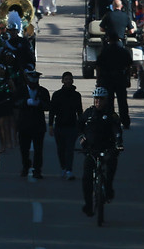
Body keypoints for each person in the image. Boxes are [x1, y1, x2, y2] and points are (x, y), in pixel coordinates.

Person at [79, 87, 123, 217]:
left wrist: (118, 144)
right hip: (91, 150)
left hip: (107, 149)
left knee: (110, 166)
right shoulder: (89, 113)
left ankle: (108, 188)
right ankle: (88, 204)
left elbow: (117, 131)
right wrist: (82, 137)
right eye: (96, 99)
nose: (98, 102)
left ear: (106, 100)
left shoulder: (111, 115)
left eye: (101, 99)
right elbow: (79, 125)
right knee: (86, 178)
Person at [14, 66, 50, 179]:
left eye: (35, 81)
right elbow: (14, 102)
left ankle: (37, 169)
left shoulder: (43, 91)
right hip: (24, 124)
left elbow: (48, 105)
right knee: (24, 148)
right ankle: (26, 166)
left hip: (38, 125)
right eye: (31, 81)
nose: (33, 83)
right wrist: (25, 102)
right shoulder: (20, 90)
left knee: (38, 150)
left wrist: (39, 103)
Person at [48, 71, 83, 180]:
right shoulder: (57, 95)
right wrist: (50, 125)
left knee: (69, 149)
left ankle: (69, 170)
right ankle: (63, 167)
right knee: (61, 149)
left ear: (72, 81)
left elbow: (80, 112)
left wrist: (81, 126)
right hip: (59, 126)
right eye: (66, 79)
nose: (68, 81)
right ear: (62, 81)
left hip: (72, 126)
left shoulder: (77, 95)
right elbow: (52, 111)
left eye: (70, 79)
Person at [96, 34, 133, 129]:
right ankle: (125, 121)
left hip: (107, 79)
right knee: (122, 101)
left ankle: (110, 120)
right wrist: (128, 78)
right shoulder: (123, 51)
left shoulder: (104, 51)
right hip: (120, 78)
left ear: (108, 39)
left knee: (109, 101)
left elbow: (99, 66)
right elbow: (129, 65)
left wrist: (99, 80)